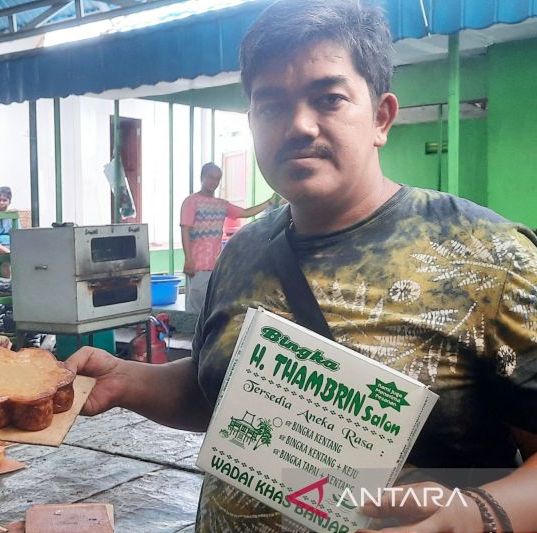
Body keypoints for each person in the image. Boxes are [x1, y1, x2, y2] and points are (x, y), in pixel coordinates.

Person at [67, 1, 537, 532]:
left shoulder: (486, 257)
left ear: (381, 116)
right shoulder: (242, 251)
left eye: (328, 98)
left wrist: (474, 517)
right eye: (271, 105)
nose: (298, 125)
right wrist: (126, 381)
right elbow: (220, 393)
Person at [180, 163, 272, 315]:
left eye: (217, 179)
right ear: (202, 177)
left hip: (216, 264)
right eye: (210, 177)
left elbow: (246, 212)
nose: (213, 182)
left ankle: (206, 337)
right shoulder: (191, 202)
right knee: (196, 308)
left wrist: (269, 202)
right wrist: (188, 259)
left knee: (210, 306)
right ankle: (194, 337)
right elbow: (185, 230)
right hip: (197, 265)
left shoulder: (221, 205)